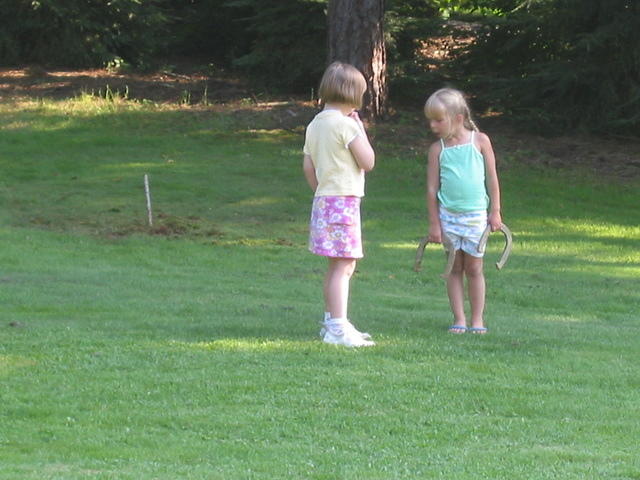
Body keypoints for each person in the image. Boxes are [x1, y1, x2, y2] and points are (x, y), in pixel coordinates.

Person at [302, 62, 376, 347]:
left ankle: (333, 319)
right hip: (343, 202)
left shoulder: (315, 124)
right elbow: (368, 161)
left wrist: (322, 191)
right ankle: (337, 326)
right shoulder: (346, 125)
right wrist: (361, 130)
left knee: (336, 265)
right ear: (354, 94)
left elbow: (308, 166)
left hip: (324, 200)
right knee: (345, 265)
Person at [424, 88, 502, 334]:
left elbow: (492, 178)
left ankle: (477, 319)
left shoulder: (480, 141)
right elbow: (431, 189)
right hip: (449, 218)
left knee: (475, 269)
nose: (433, 125)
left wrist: (495, 211)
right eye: (430, 120)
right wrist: (435, 224)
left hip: (476, 217)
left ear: (458, 118)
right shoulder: (438, 150)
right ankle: (459, 318)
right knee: (454, 268)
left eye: (438, 120)